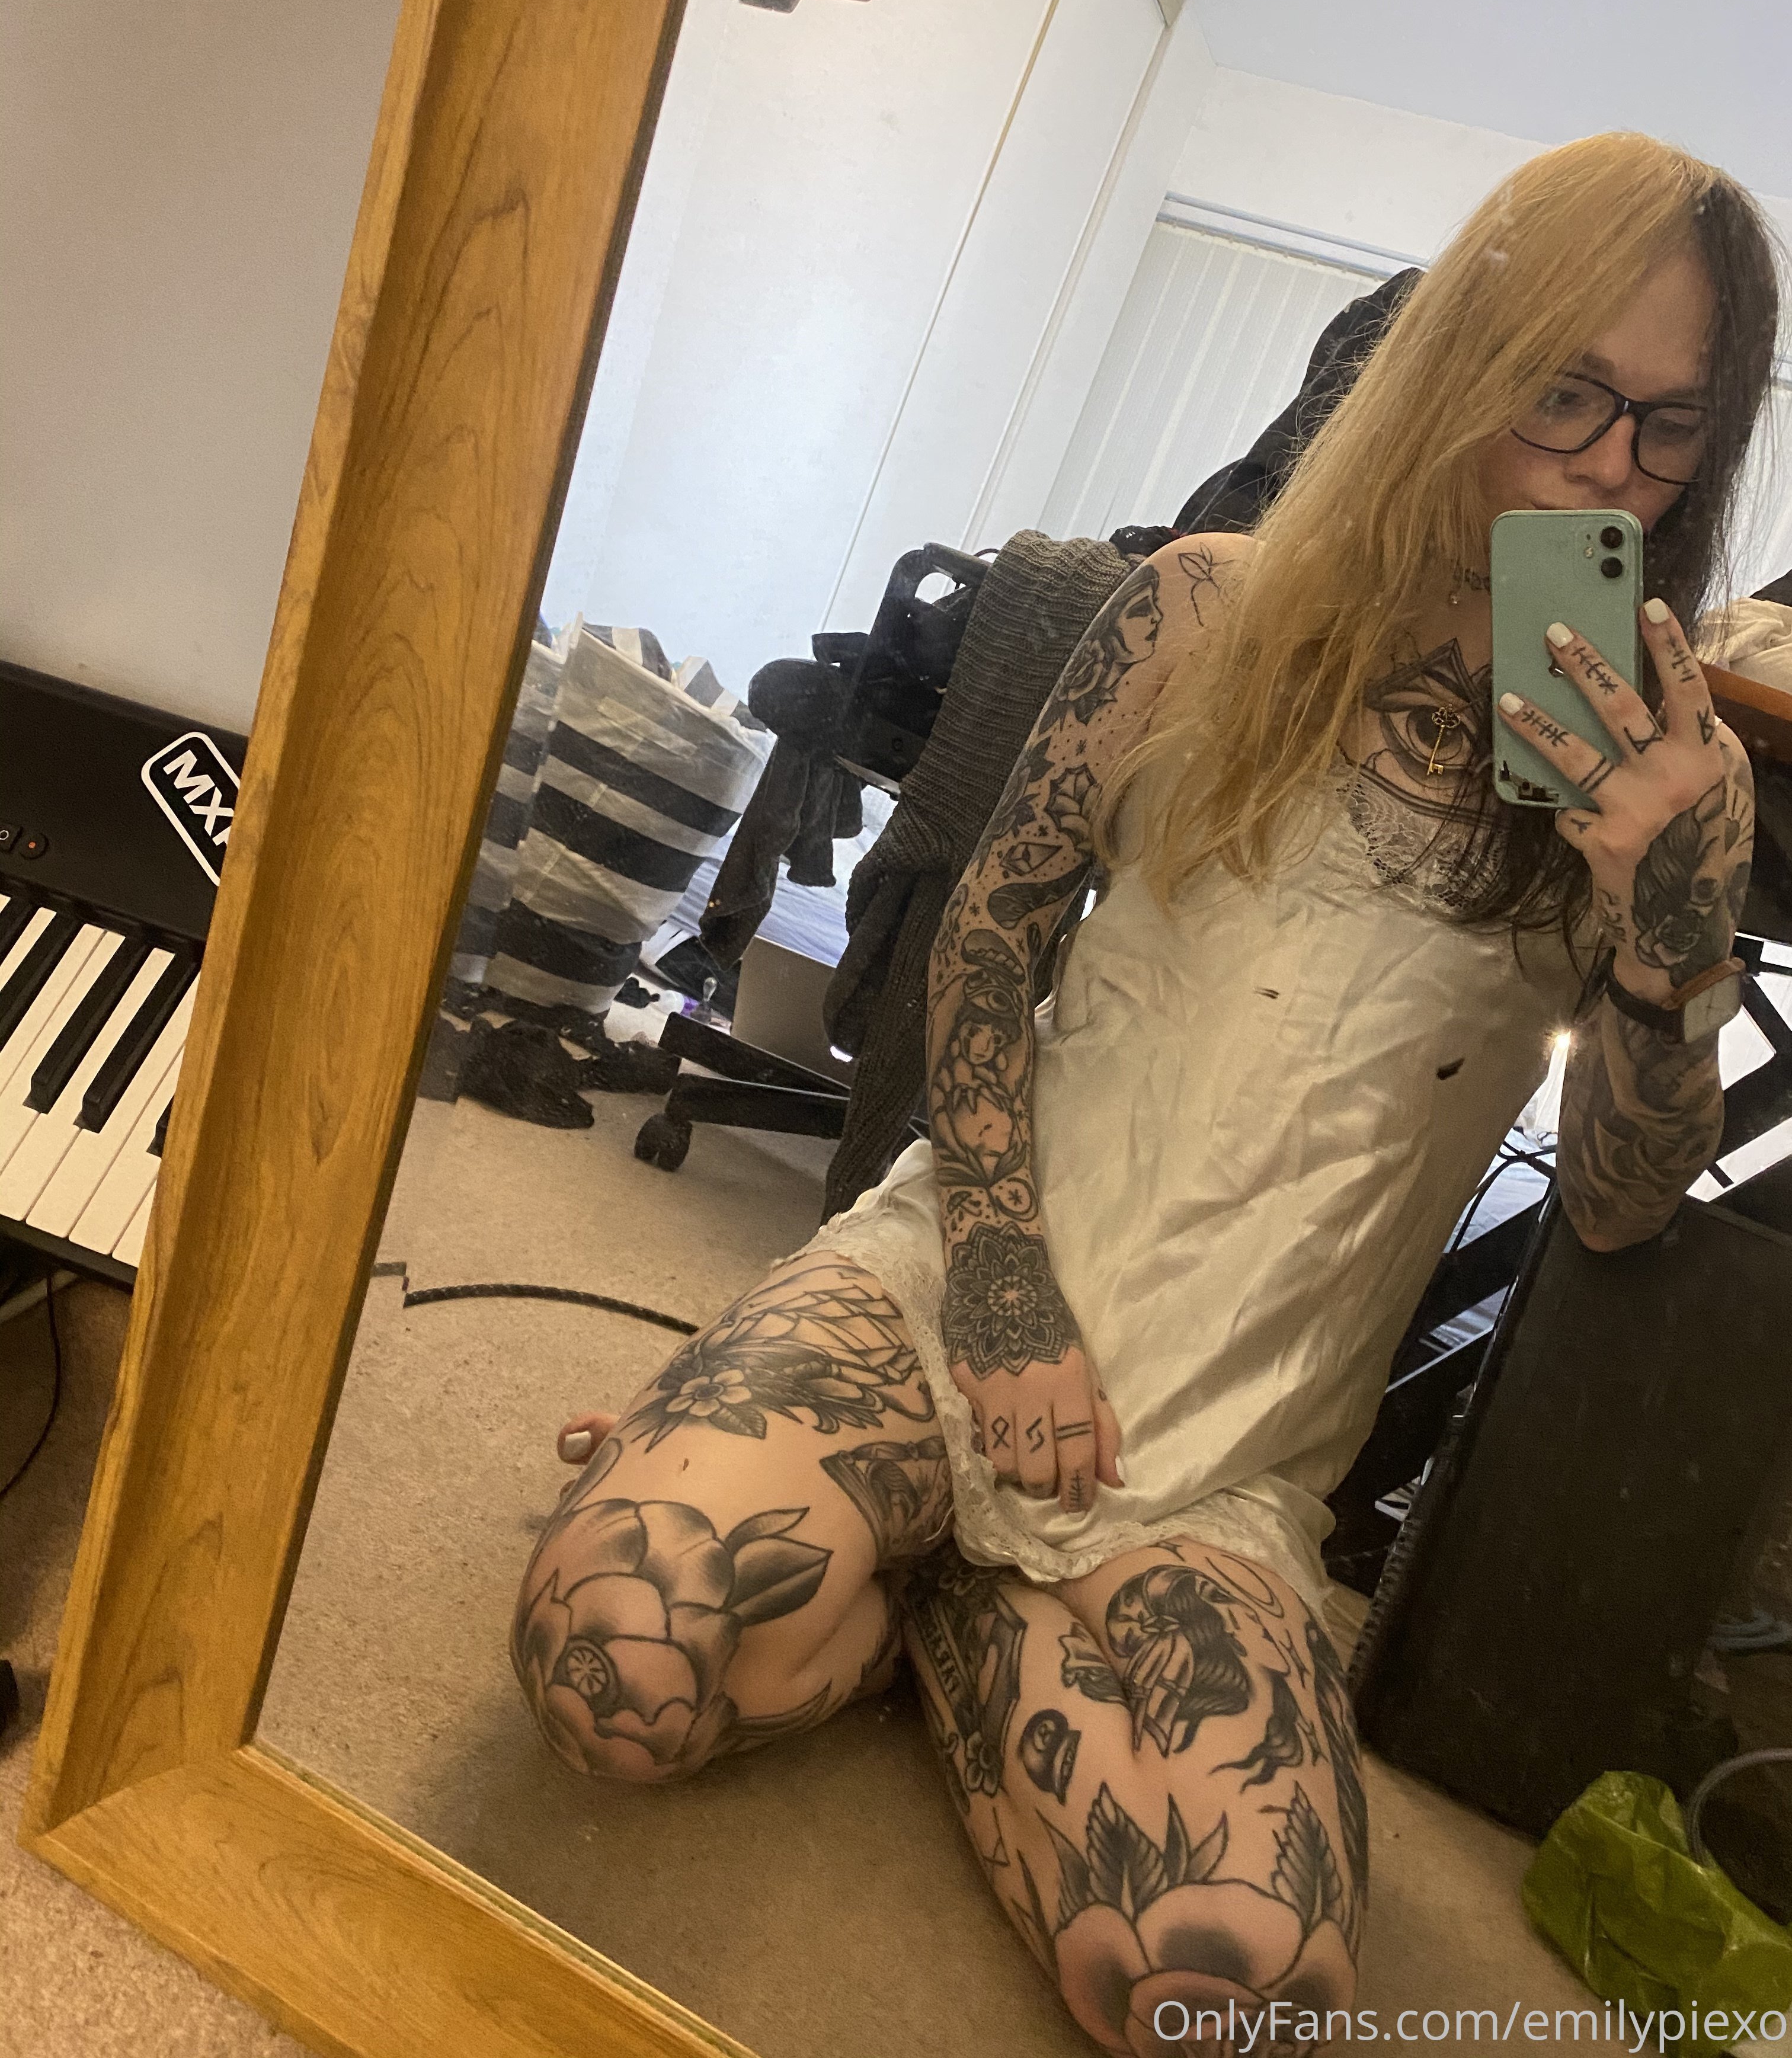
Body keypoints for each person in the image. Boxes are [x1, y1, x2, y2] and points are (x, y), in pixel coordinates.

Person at [510, 131, 1780, 2057]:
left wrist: (1669, 946)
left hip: (1232, 1445)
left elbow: (1612, 1209)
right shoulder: (1205, 606)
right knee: (614, 1661)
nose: (1613, 466)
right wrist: (1003, 1298)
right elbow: (988, 935)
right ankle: (873, 1497)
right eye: (1567, 392)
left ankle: (934, 1592)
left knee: (1234, 2001)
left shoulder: (1672, 767)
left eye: (1671, 424)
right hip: (964, 1284)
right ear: (1462, 359)